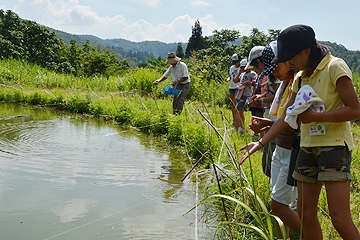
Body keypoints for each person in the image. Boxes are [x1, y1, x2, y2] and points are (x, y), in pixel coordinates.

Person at [240, 24, 360, 240]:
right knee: (305, 214)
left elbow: (355, 110)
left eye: (291, 57)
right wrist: (261, 142)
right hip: (306, 147)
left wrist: (317, 118)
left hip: (334, 147)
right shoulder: (301, 77)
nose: (289, 63)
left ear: (307, 51)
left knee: (339, 218)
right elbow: (288, 115)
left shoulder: (335, 67)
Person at [246, 41, 302, 239]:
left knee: (281, 204)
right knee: (279, 204)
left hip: (293, 148)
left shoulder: (299, 82)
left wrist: (260, 142)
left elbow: (291, 119)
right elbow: (283, 119)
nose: (274, 73)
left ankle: (310, 234)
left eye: (276, 67)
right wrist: (267, 124)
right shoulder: (288, 83)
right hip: (281, 145)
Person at [245, 45, 280, 177]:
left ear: (260, 62)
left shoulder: (276, 74)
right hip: (270, 119)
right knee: (268, 160)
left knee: (272, 161)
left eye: (255, 67)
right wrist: (260, 98)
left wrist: (262, 101)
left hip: (277, 121)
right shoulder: (266, 75)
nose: (257, 71)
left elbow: (279, 96)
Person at [235, 58, 257, 133]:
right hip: (240, 94)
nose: (244, 68)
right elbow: (235, 80)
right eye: (242, 67)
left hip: (246, 94)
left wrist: (248, 82)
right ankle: (242, 127)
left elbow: (256, 84)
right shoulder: (242, 74)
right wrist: (240, 72)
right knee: (240, 111)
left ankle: (236, 128)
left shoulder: (253, 74)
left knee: (237, 110)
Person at [225, 53, 244, 133]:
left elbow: (239, 79)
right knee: (233, 106)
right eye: (234, 62)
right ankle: (234, 121)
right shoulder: (232, 67)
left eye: (237, 62)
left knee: (237, 107)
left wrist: (240, 72)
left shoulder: (242, 68)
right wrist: (228, 79)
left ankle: (240, 125)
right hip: (232, 87)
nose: (235, 64)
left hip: (238, 88)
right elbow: (231, 76)